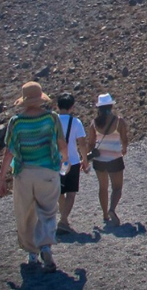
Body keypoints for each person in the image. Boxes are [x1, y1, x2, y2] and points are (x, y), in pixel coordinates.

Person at [0, 82, 67, 273]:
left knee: (26, 212)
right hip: (48, 171)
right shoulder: (51, 118)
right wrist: (64, 160)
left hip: (24, 173)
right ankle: (45, 246)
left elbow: (9, 152)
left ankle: (31, 253)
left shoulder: (16, 122)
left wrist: (2, 177)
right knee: (47, 211)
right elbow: (61, 144)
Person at [86, 93, 128, 227]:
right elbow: (124, 138)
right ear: (111, 105)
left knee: (102, 188)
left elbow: (91, 143)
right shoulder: (118, 121)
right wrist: (124, 149)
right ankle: (112, 209)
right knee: (117, 187)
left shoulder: (94, 123)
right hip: (115, 158)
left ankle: (104, 214)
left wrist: (87, 156)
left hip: (99, 159)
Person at [55, 93, 88, 234]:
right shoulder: (76, 122)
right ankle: (63, 220)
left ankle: (64, 219)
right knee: (71, 192)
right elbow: (81, 143)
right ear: (72, 107)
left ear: (58, 105)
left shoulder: (52, 121)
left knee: (59, 192)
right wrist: (85, 160)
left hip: (55, 161)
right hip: (72, 161)